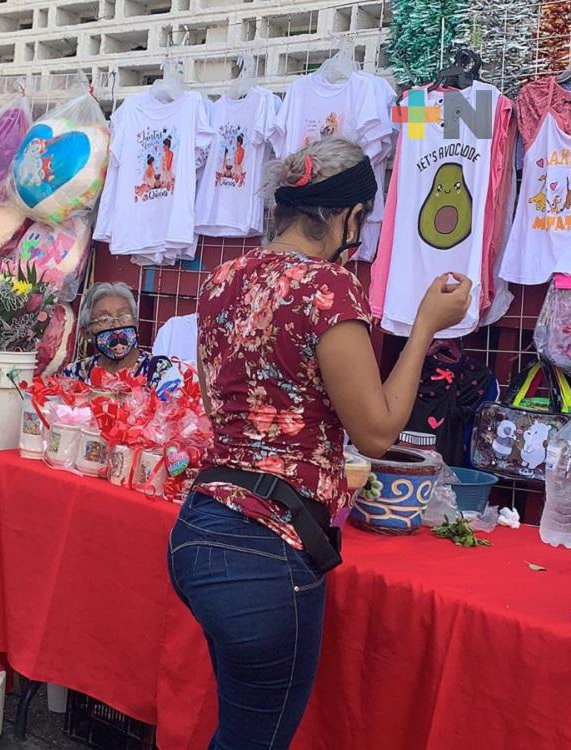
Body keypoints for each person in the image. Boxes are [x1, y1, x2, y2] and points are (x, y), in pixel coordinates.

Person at [168, 136, 472, 750]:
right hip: (267, 548)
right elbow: (379, 432)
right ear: (347, 216)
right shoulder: (328, 289)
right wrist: (424, 330)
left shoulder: (221, 280)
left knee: (240, 730)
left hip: (198, 528)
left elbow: (216, 409)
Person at [62, 282, 182, 400]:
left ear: (136, 324)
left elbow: (173, 413)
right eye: (104, 319)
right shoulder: (75, 373)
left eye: (124, 317)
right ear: (86, 332)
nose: (116, 326)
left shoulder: (159, 371)